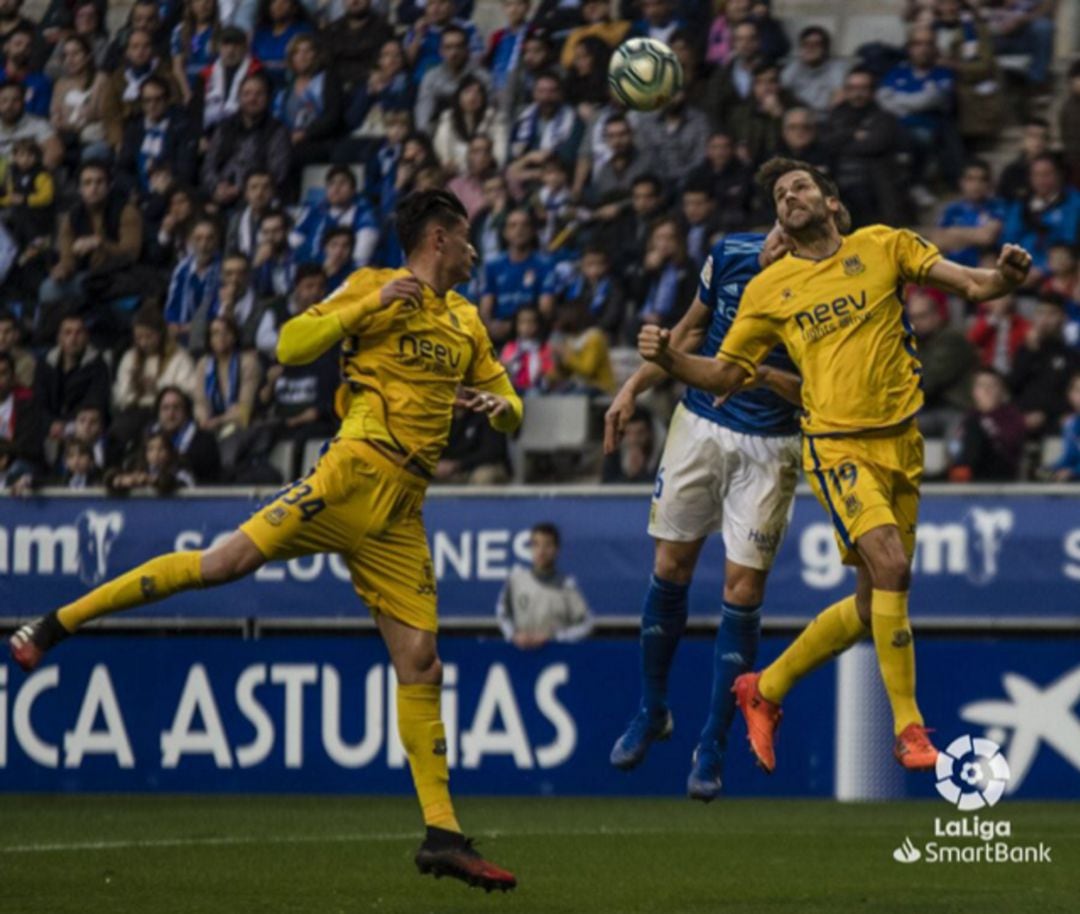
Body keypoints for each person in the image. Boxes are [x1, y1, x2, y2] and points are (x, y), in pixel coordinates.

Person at [9, 189, 520, 892]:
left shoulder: (466, 319)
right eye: (464, 239)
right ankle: (59, 622)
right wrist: (366, 308)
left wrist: (501, 409)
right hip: (351, 474)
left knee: (422, 664)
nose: (472, 251)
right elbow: (288, 345)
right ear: (437, 238)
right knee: (224, 563)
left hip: (402, 510)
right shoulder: (373, 286)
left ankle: (441, 835)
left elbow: (513, 408)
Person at [636, 156, 1034, 773]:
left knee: (872, 604)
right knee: (894, 567)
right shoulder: (770, 289)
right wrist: (670, 361)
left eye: (800, 186)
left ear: (831, 203)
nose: (788, 196)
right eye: (778, 194)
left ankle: (763, 688)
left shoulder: (883, 246)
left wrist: (1006, 277)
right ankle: (909, 728)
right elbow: (723, 372)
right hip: (835, 446)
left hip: (901, 444)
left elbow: (975, 285)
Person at [604, 225, 801, 797]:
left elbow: (815, 391)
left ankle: (712, 742)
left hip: (771, 447)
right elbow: (688, 330)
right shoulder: (730, 253)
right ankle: (653, 709)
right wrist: (632, 389)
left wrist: (760, 375)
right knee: (671, 569)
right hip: (699, 429)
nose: (781, 235)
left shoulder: (824, 288)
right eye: (779, 214)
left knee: (741, 594)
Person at [496, 522, 593, 648]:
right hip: (520, 657)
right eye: (536, 544)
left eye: (547, 545)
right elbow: (502, 613)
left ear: (556, 549)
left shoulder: (566, 585)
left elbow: (586, 624)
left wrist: (555, 638)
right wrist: (514, 635)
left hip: (556, 660)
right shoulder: (516, 581)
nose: (541, 551)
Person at [905, 287, 977, 437]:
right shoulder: (917, 341)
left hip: (953, 408)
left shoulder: (952, 339)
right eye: (913, 317)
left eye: (922, 316)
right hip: (927, 408)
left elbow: (929, 380)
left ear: (937, 314)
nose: (916, 323)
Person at [1009, 296, 1080, 438]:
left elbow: (1071, 395)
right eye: (1040, 313)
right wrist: (1030, 352)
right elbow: (1012, 385)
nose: (1045, 319)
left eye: (1051, 314)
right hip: (1022, 424)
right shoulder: (1025, 350)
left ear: (1063, 318)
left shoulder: (1072, 356)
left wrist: (1045, 415)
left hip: (1055, 426)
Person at [947, 367, 1025, 482]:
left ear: (1001, 391)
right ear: (974, 391)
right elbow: (955, 445)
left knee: (975, 427)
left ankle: (961, 472)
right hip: (969, 469)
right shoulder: (968, 416)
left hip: (998, 470)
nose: (987, 390)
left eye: (992, 386)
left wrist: (985, 425)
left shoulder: (1011, 416)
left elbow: (1009, 446)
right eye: (982, 386)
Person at [931, 160, 1005, 268]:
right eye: (970, 179)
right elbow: (937, 241)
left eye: (982, 180)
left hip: (981, 269)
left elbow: (986, 237)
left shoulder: (997, 206)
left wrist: (953, 232)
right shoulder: (952, 209)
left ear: (989, 183)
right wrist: (974, 235)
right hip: (953, 269)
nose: (976, 185)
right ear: (961, 182)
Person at [780, 25, 847, 119]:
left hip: (825, 119)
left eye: (816, 44)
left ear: (825, 49)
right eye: (806, 44)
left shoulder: (836, 68)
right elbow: (781, 91)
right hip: (798, 118)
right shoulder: (793, 68)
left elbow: (839, 96)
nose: (810, 48)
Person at [1043, 373, 1080, 481]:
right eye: (1078, 390)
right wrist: (1050, 468)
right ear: (1070, 395)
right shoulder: (1070, 424)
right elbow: (1069, 458)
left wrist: (1073, 472)